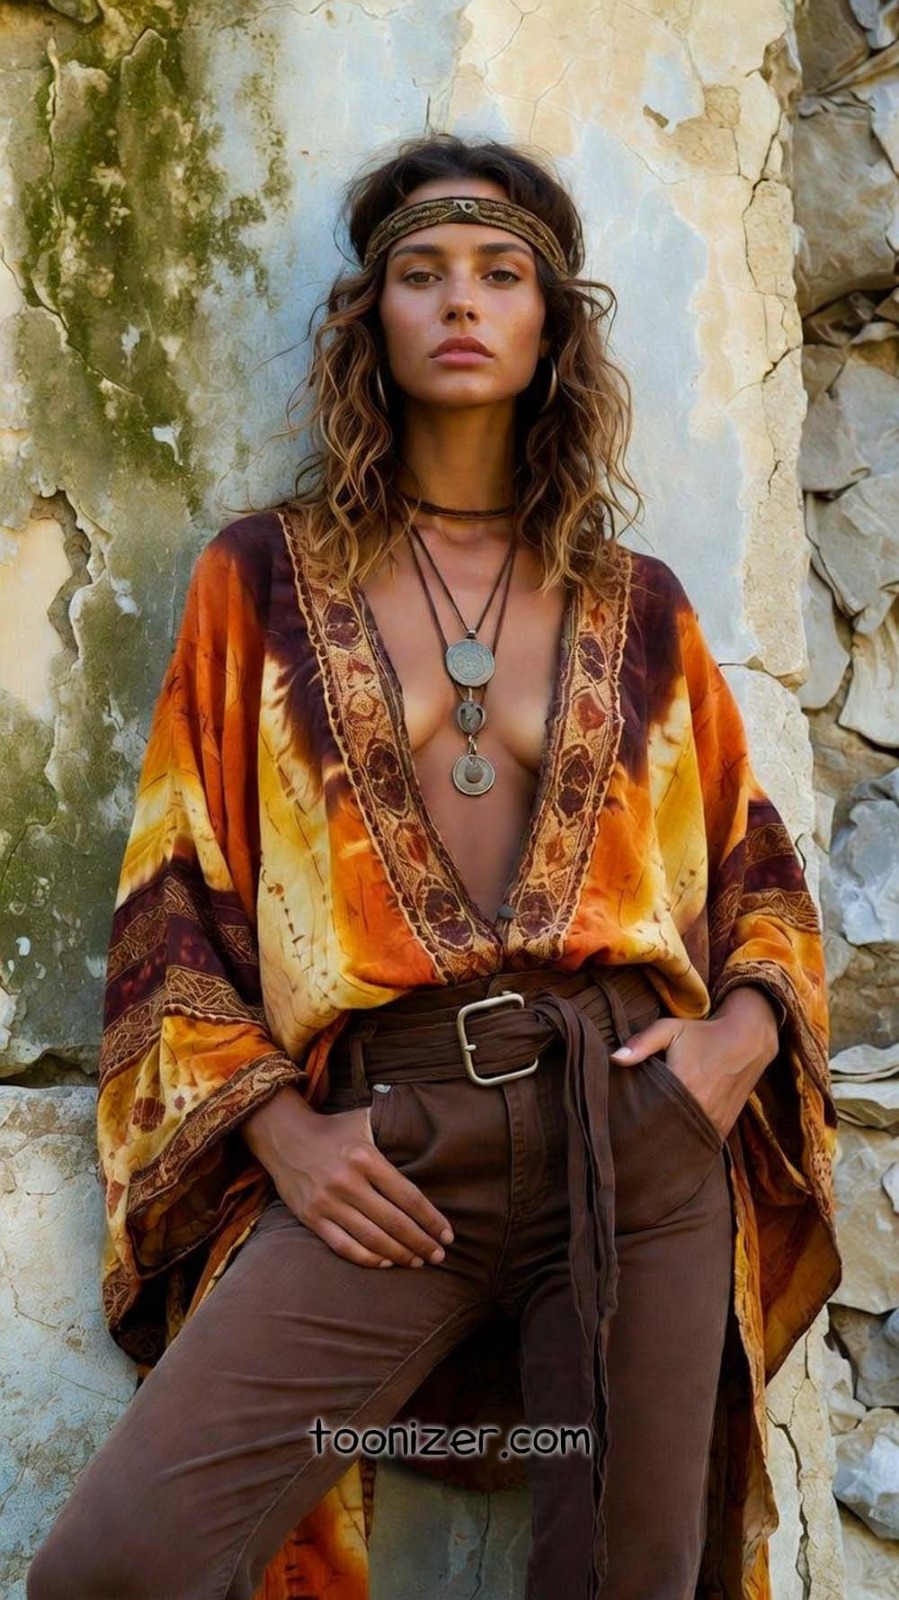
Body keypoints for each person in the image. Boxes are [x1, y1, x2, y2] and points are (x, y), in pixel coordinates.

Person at [27, 133, 840, 1600]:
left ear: (550, 330)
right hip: (390, 1145)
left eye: (500, 272)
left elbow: (755, 875)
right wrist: (277, 1133)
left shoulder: (637, 607)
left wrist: (737, 1042)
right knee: (118, 1569)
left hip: (636, 1144)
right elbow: (173, 903)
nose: (460, 299)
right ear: (373, 322)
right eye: (421, 273)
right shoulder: (258, 578)